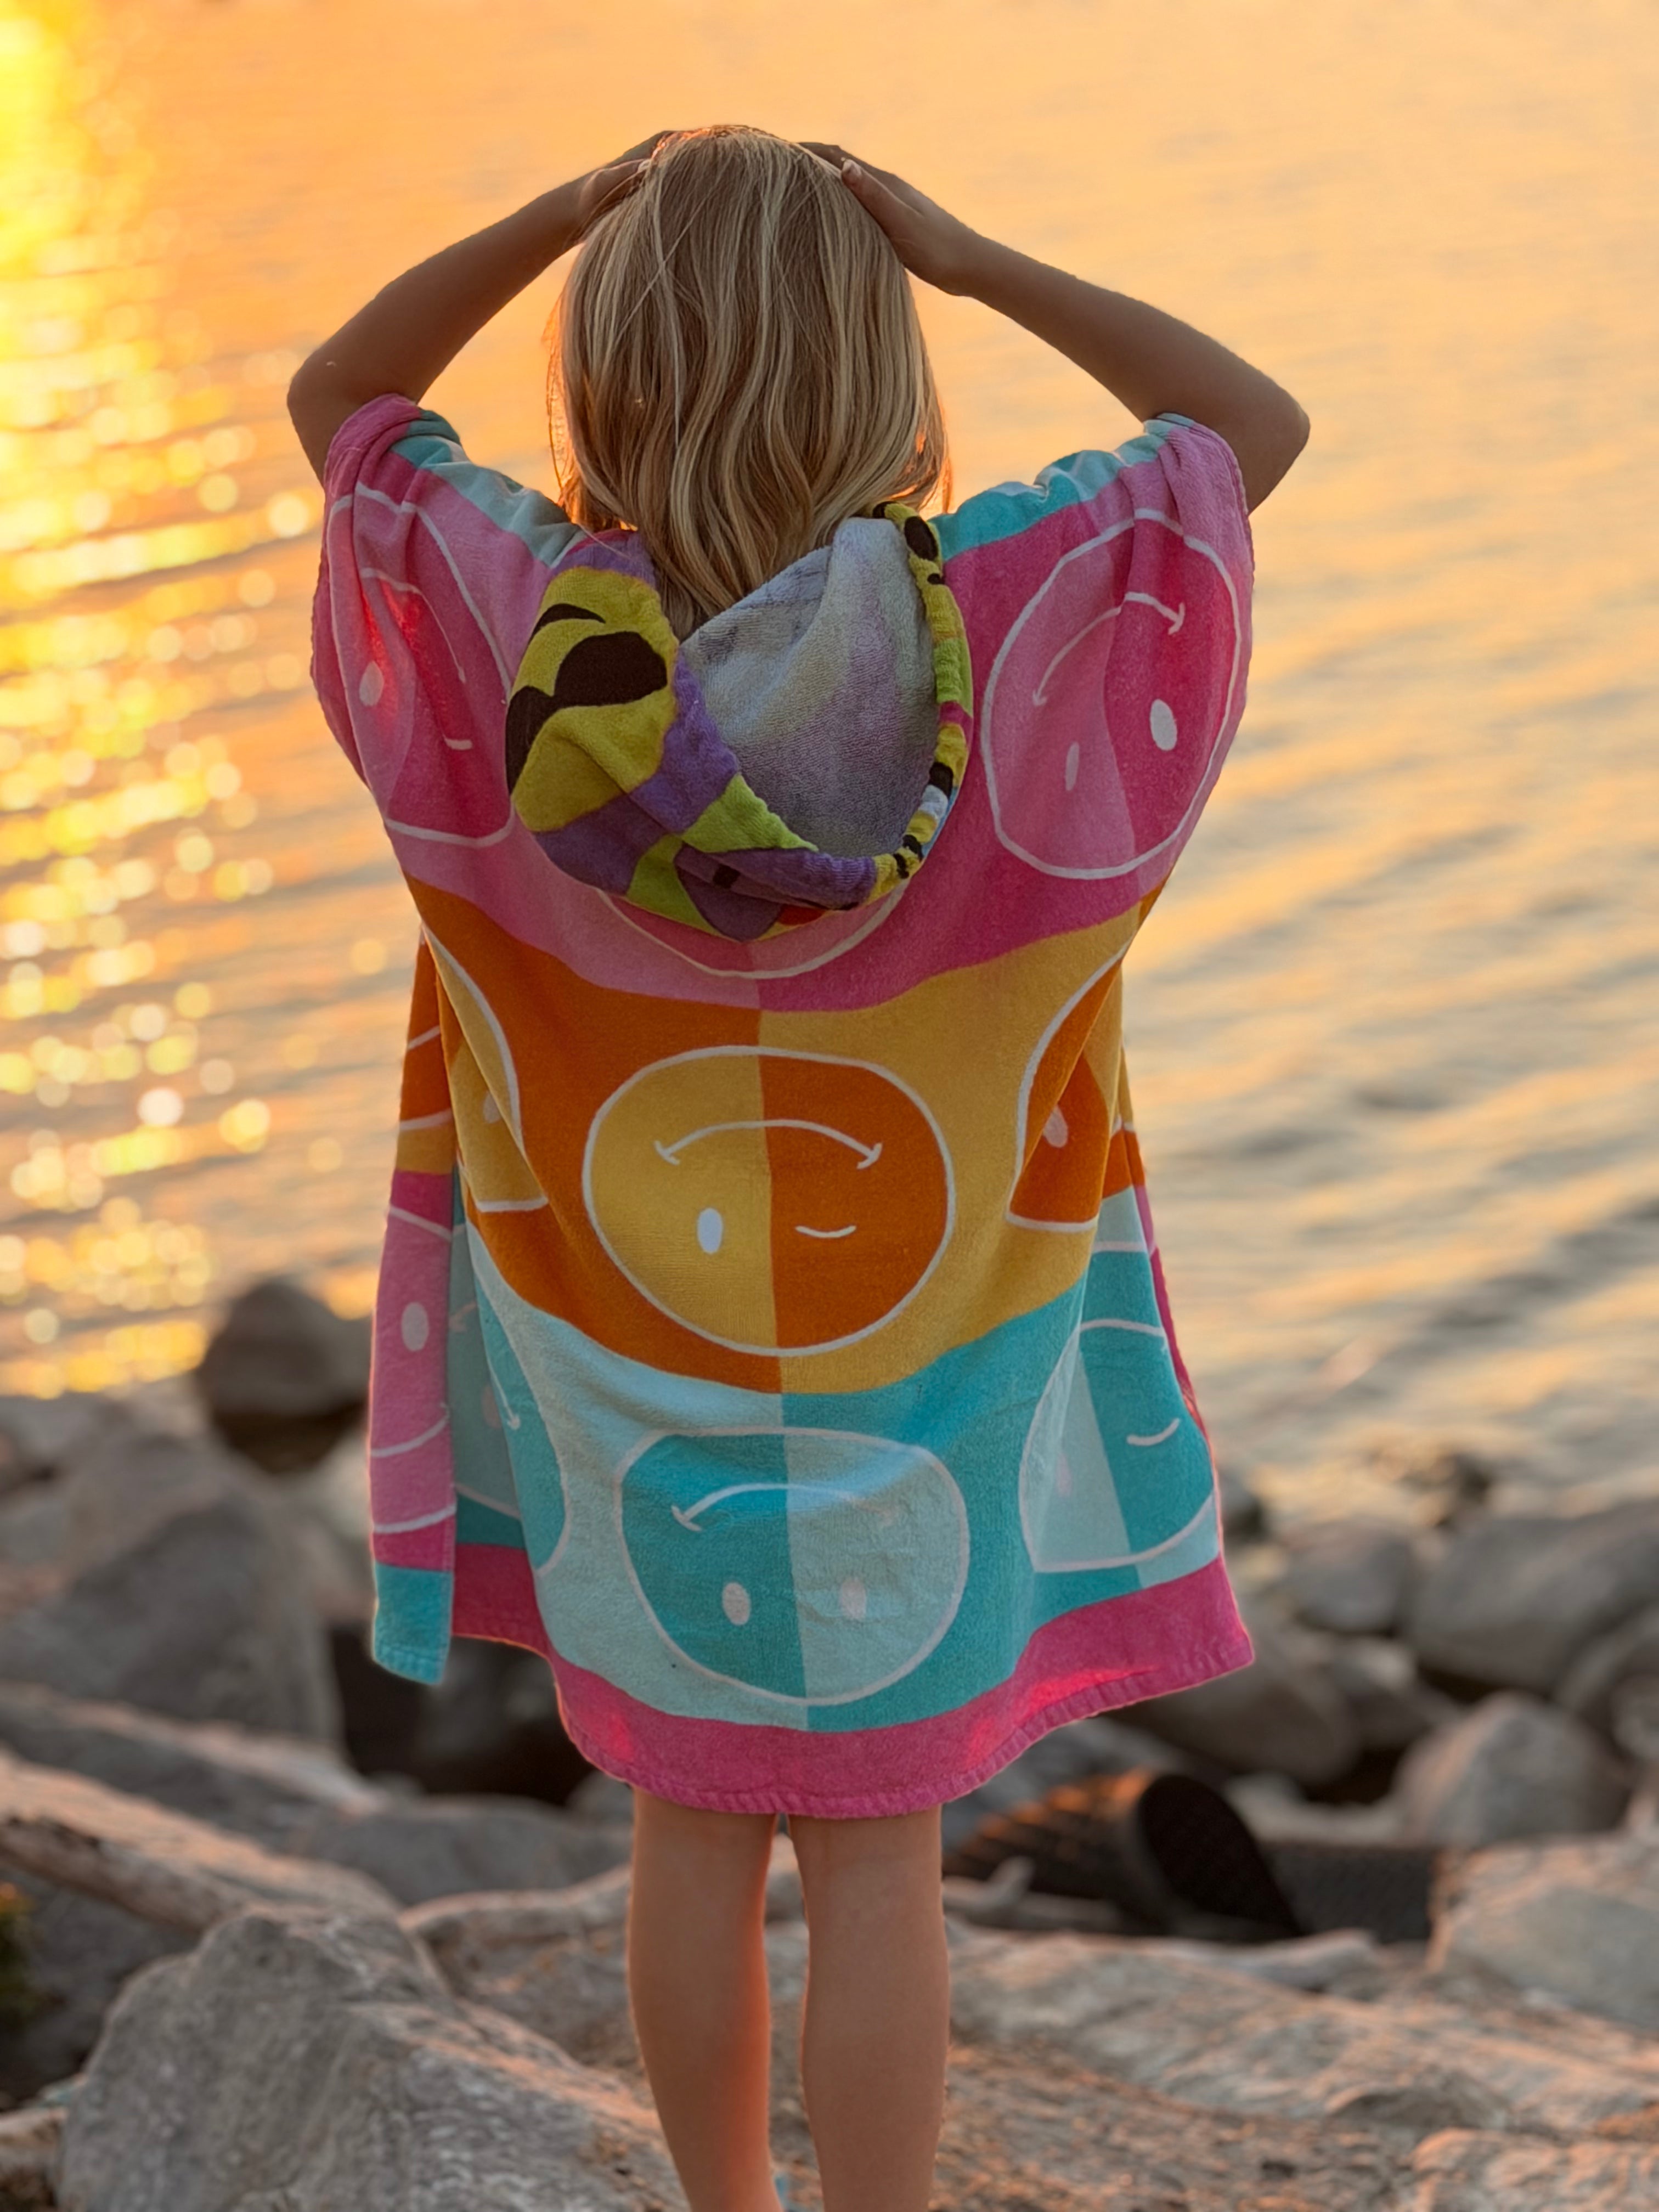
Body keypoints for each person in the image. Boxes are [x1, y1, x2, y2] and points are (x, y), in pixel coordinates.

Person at [290, 126, 1307, 2212]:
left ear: (611, 368)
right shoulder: (1000, 610)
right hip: (929, 1353)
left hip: (620, 1350)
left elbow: (344, 403)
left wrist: (550, 219)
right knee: (879, 1862)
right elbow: (1247, 430)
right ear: (878, 366)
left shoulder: (509, 612)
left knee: (687, 1829)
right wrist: (980, 257)